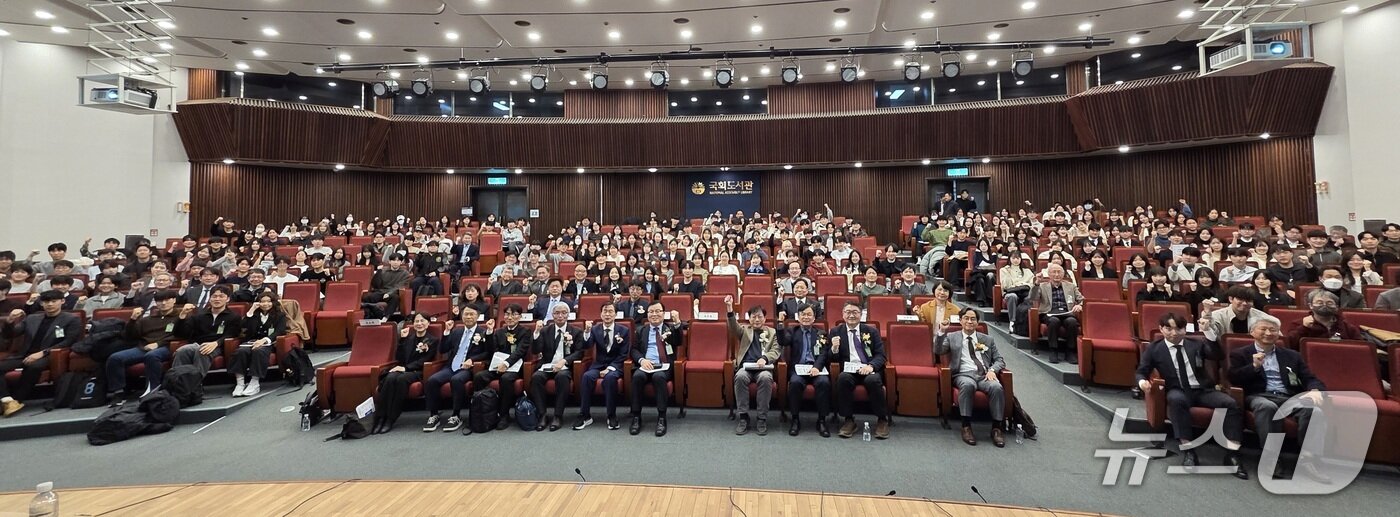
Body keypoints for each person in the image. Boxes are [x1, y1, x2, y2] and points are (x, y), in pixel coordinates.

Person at [1136, 312, 1249, 479]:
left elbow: (1217, 355)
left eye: (1179, 329)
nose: (1174, 333)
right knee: (1176, 400)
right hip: (1177, 388)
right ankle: (1189, 450)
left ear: (1185, 329)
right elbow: (1141, 371)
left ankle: (1232, 454)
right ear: (1161, 329)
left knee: (1230, 403)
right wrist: (1142, 383)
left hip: (1202, 389)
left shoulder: (1195, 344)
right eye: (1169, 329)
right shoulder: (1155, 348)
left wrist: (1208, 332)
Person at [1226, 318, 1329, 482]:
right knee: (1267, 407)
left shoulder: (1291, 356)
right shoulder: (1241, 353)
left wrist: (1316, 390)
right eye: (1263, 329)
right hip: (1259, 395)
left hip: (1287, 397)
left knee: (1314, 411)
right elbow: (1233, 379)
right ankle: (1271, 458)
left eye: (1273, 330)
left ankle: (1308, 461)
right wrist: (1253, 367)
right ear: (1252, 332)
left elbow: (1310, 378)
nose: (1268, 333)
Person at [1, 291, 82, 416]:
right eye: (46, 302)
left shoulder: (72, 319)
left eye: (54, 301)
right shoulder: (32, 318)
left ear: (62, 301)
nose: (50, 304)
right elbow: (10, 335)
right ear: (41, 303)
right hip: (25, 354)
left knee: (34, 366)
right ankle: (8, 400)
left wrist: (42, 353)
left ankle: (17, 399)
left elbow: (69, 341)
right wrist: (10, 321)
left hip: (50, 355)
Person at [936, 308, 1007, 447]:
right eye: (966, 318)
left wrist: (992, 370)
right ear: (961, 320)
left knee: (997, 387)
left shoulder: (987, 339)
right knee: (968, 385)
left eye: (973, 319)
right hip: (963, 373)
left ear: (977, 322)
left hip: (983, 374)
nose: (969, 321)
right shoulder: (952, 336)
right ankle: (966, 426)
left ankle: (996, 428)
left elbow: (1000, 360)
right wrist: (942, 332)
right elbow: (938, 350)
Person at [422, 306, 494, 434]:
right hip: (451, 366)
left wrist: (472, 360)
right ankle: (434, 414)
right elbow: (443, 350)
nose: (468, 317)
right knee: (432, 380)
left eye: (471, 314)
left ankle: (456, 415)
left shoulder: (483, 332)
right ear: (462, 316)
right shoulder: (456, 332)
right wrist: (446, 332)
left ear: (477, 316)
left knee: (456, 380)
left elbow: (488, 352)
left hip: (467, 368)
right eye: (466, 314)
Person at [829, 301, 889, 439]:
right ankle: (848, 420)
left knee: (873, 380)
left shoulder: (871, 331)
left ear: (861, 315)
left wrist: (871, 366)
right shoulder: (836, 331)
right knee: (843, 379)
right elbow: (832, 358)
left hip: (868, 367)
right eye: (848, 312)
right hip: (849, 369)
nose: (851, 315)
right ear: (843, 315)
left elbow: (881, 355)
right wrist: (834, 348)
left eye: (855, 312)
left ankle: (882, 419)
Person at [105, 290, 181, 399]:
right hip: (144, 347)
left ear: (174, 300)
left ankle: (153, 388)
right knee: (115, 358)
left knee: (151, 356)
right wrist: (133, 320)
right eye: (159, 301)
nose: (163, 303)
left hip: (167, 346)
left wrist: (158, 344)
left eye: (167, 300)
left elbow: (182, 334)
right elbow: (130, 336)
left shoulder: (180, 317)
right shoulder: (147, 319)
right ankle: (119, 392)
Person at [472, 304, 533, 430]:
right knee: (479, 377)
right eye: (507, 314)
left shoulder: (525, 331)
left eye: (513, 314)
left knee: (506, 379)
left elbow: (520, 351)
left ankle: (504, 414)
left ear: (520, 316)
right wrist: (489, 332)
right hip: (497, 365)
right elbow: (491, 351)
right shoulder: (499, 332)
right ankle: (486, 412)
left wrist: (506, 364)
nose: (510, 317)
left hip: (515, 366)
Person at [373, 313, 436, 434]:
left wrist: (406, 368)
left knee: (401, 380)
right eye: (416, 321)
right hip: (403, 369)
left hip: (418, 371)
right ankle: (380, 417)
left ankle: (390, 419)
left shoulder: (433, 340)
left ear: (428, 323)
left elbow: (425, 360)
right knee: (390, 378)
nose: (419, 324)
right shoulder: (409, 338)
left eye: (422, 321)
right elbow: (399, 358)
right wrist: (402, 340)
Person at [629, 302, 686, 436]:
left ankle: (661, 417)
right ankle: (636, 417)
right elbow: (634, 350)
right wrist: (642, 360)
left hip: (664, 366)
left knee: (658, 377)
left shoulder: (669, 329)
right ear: (647, 315)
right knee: (637, 377)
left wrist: (677, 322)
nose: (654, 314)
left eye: (657, 311)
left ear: (663, 314)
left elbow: (678, 341)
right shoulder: (641, 330)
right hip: (646, 365)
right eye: (651, 312)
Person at [725, 295, 779, 436]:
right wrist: (730, 308)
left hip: (763, 368)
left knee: (766, 378)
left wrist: (765, 358)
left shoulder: (772, 332)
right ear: (749, 319)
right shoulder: (744, 330)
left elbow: (776, 350)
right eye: (753, 317)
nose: (757, 320)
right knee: (740, 377)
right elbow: (732, 326)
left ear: (765, 319)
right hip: (746, 367)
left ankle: (762, 418)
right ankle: (743, 417)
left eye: (760, 317)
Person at [528, 303, 586, 431]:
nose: (560, 316)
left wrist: (564, 361)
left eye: (564, 313)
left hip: (564, 367)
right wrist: (536, 333)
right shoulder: (545, 331)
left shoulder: (576, 331)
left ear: (568, 315)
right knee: (536, 377)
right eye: (557, 313)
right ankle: (542, 415)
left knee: (562, 377)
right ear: (552, 315)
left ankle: (558, 415)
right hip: (547, 365)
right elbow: (536, 350)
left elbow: (579, 352)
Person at [576, 303, 629, 431]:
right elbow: (587, 345)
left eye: (610, 311)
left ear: (615, 314)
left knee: (610, 379)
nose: (607, 314)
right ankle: (585, 415)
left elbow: (624, 354)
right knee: (587, 377)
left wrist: (610, 368)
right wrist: (587, 332)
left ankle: (611, 415)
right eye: (605, 312)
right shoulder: (595, 329)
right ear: (600, 314)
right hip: (598, 364)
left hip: (615, 366)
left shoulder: (624, 330)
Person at [172, 286, 243, 377]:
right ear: (209, 299)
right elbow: (181, 334)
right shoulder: (199, 316)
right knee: (182, 351)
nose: (217, 299)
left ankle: (195, 385)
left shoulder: (234, 317)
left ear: (228, 299)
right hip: (197, 344)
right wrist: (182, 316)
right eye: (214, 296)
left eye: (221, 296)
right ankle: (177, 383)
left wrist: (216, 343)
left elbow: (232, 334)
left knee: (202, 351)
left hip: (218, 346)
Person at [230, 291, 286, 397]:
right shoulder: (254, 314)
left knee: (258, 351)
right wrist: (251, 310)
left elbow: (280, 331)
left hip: (269, 343)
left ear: (273, 302)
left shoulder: (280, 315)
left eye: (268, 301)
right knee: (240, 352)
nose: (265, 304)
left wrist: (265, 340)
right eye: (262, 301)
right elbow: (245, 327)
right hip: (251, 341)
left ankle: (254, 382)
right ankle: (240, 383)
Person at [1029, 264, 1084, 363]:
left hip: (1067, 312)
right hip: (1049, 313)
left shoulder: (1071, 286)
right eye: (1054, 272)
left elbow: (1082, 300)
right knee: (1054, 321)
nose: (1056, 274)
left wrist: (1080, 305)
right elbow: (1033, 298)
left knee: (1072, 322)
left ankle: (1070, 351)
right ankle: (1053, 350)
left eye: (1059, 272)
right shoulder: (1042, 286)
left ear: (1063, 274)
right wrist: (1037, 283)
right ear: (1049, 274)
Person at [1286, 289, 1362, 348]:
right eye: (1319, 302)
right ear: (1311, 306)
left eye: (1329, 303)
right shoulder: (1298, 323)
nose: (1324, 305)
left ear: (1337, 307)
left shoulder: (1347, 326)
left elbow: (1360, 347)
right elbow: (1289, 345)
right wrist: (1304, 328)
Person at [1203, 286, 1276, 340]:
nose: (1244, 303)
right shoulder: (1217, 315)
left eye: (1248, 300)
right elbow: (1212, 338)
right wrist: (1207, 318)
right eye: (1240, 299)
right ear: (1231, 299)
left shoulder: (1262, 317)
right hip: (1225, 352)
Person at [999, 252, 1035, 335]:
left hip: (1024, 291)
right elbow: (1005, 285)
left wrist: (1022, 284)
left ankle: (1025, 322)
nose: (1016, 260)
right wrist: (1008, 274)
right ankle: (1012, 321)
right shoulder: (1004, 270)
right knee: (1012, 296)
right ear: (1009, 259)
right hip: (1011, 291)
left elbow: (1032, 283)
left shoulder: (1027, 270)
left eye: (1018, 258)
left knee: (1030, 297)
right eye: (1013, 258)